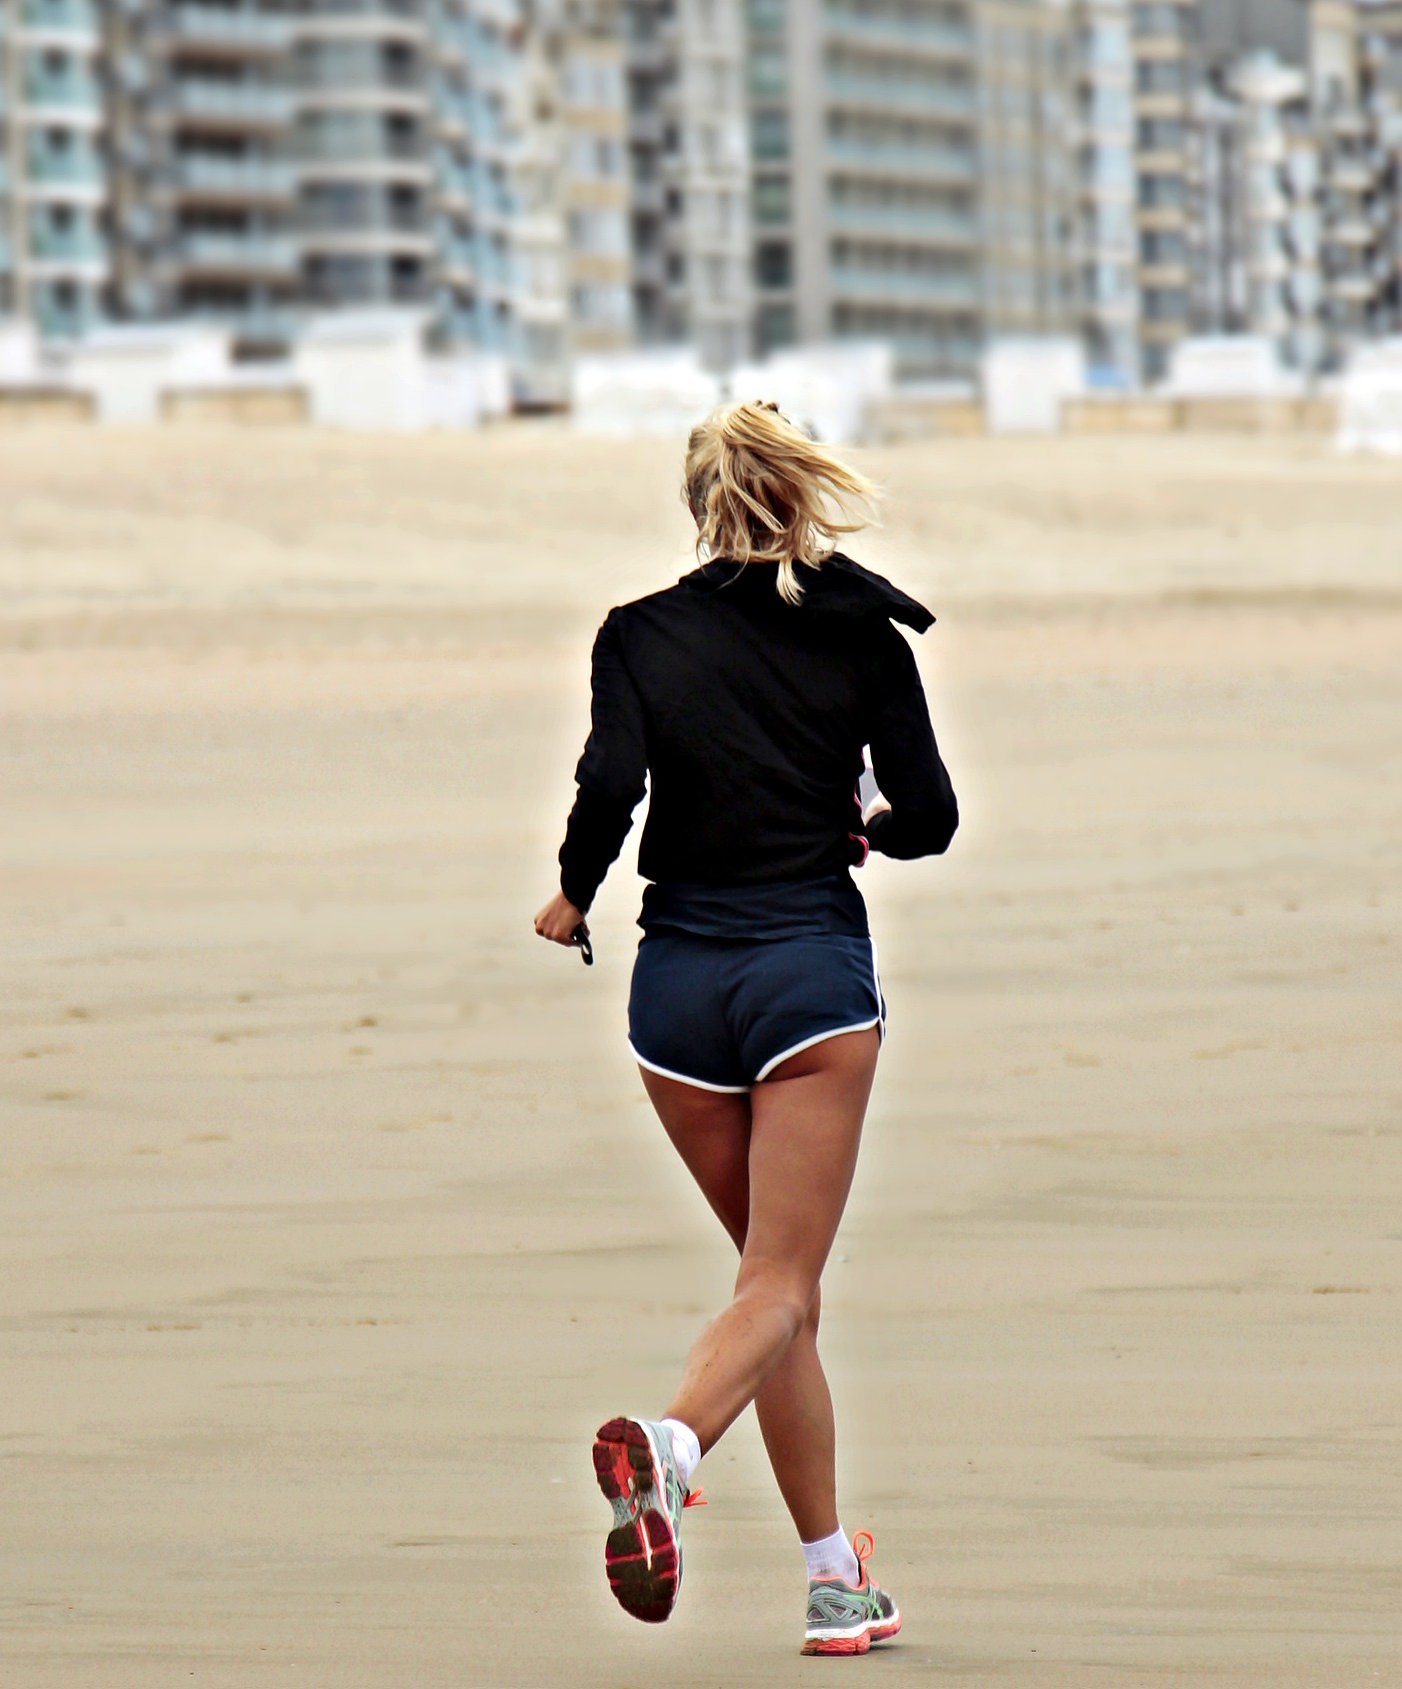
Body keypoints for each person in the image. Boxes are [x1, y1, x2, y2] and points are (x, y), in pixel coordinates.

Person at [532, 400, 958, 1656]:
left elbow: (610, 783)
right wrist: (862, 826)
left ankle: (837, 1581)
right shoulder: (863, 633)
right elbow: (927, 815)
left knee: (778, 1298)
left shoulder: (638, 633)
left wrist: (572, 889)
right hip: (806, 987)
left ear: (698, 504)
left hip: (675, 998)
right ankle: (666, 1450)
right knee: (778, 1284)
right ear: (801, 491)